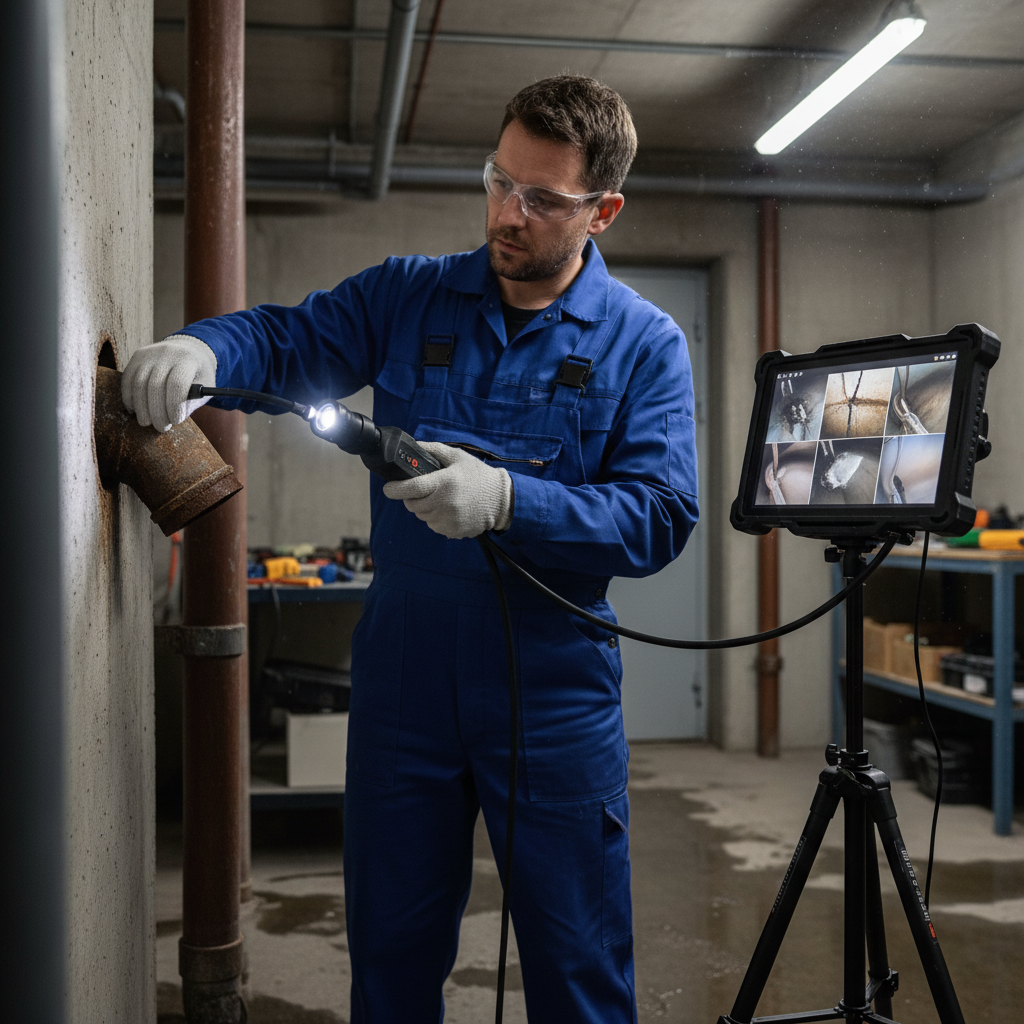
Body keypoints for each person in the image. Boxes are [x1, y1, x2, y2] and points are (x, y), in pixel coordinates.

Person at [124, 74, 699, 1023]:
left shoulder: (645, 344)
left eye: (543, 199)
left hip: (554, 686)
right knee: (391, 957)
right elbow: (285, 339)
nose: (507, 213)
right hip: (403, 675)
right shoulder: (410, 296)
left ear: (604, 211)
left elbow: (658, 517)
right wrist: (206, 351)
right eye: (498, 180)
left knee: (579, 961)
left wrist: (511, 498)